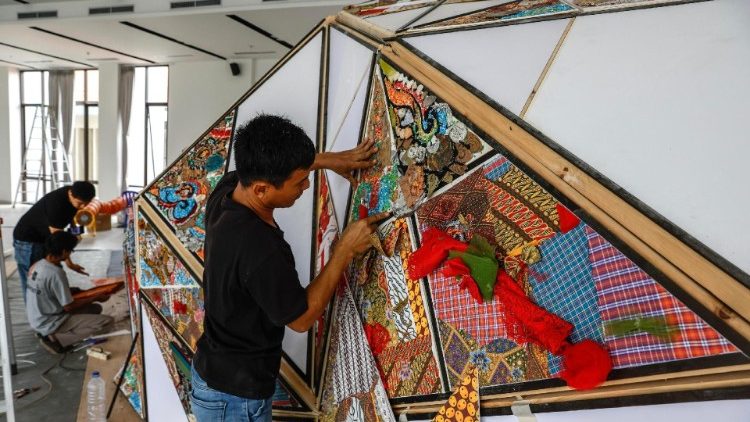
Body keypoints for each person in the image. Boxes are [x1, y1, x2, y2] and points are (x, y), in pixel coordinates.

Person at [191, 115, 387, 422]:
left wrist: (322, 160)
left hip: (215, 374)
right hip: (234, 399)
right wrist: (344, 249)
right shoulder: (259, 248)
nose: (306, 185)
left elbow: (266, 168)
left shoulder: (228, 191)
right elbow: (300, 318)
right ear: (261, 190)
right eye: (299, 181)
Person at [26, 231, 114, 354]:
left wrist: (74, 291)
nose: (69, 255)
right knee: (107, 321)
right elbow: (69, 307)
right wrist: (95, 297)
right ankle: (57, 340)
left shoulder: (37, 265)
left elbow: (47, 290)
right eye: (70, 251)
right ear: (63, 251)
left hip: (37, 318)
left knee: (95, 309)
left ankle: (55, 334)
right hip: (50, 321)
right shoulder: (56, 273)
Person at [13, 181, 95, 301]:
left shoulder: (73, 193)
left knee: (52, 274)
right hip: (28, 242)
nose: (83, 207)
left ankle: (55, 310)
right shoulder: (56, 204)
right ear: (71, 194)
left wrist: (75, 233)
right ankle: (36, 316)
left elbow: (72, 219)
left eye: (86, 204)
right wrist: (69, 263)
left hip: (44, 238)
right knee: (33, 283)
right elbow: (59, 241)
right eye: (80, 203)